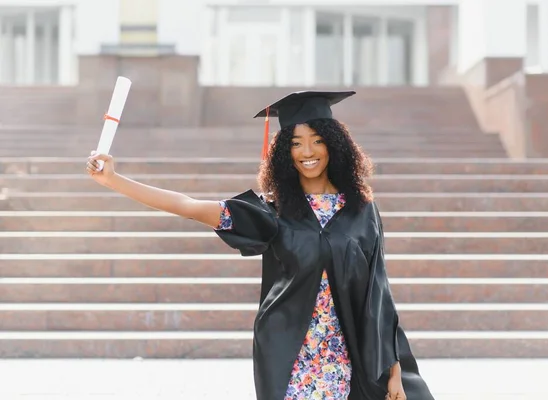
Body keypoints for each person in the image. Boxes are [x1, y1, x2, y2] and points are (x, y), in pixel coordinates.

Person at [86, 90, 435, 400]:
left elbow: (379, 294)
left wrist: (394, 373)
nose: (307, 152)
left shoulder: (362, 211)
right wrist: (114, 180)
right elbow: (188, 207)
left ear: (335, 144)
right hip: (289, 355)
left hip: (346, 355)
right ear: (284, 152)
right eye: (296, 143)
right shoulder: (273, 211)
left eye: (316, 140)